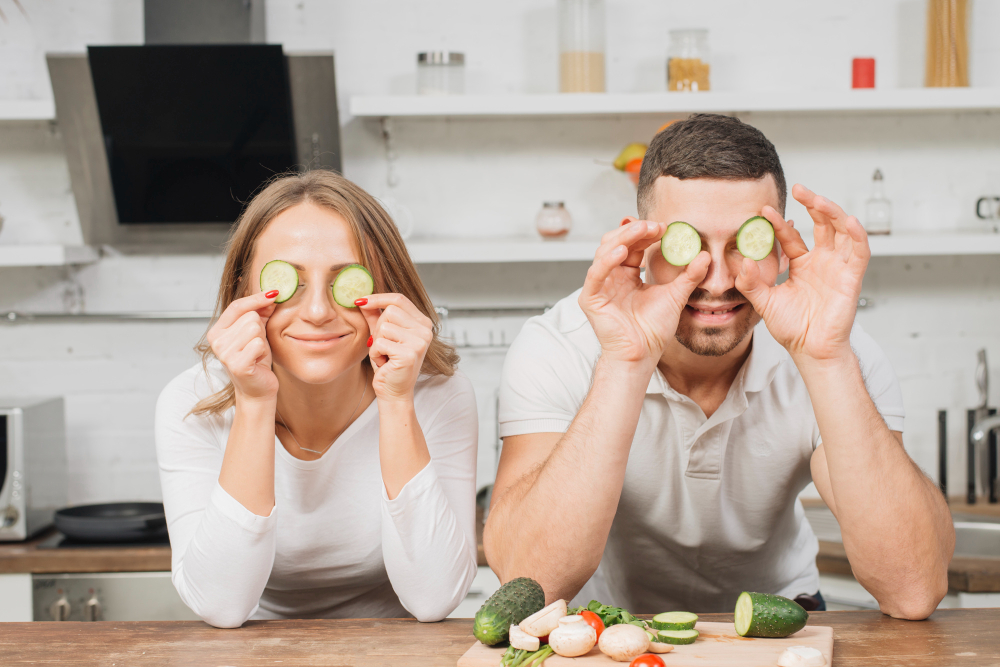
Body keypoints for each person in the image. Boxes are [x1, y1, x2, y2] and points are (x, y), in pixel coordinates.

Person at [486, 114, 954, 619]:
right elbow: (529, 581)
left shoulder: (836, 347)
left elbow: (913, 589)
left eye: (743, 243)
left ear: (779, 247)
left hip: (786, 619)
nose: (715, 279)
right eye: (686, 245)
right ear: (639, 245)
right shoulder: (561, 345)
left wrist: (827, 358)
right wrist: (625, 360)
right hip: (609, 628)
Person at [155, 170, 478, 628]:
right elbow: (222, 606)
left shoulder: (439, 395)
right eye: (289, 282)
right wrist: (252, 402)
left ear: (388, 286)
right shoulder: (188, 402)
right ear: (246, 287)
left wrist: (397, 400)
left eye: (347, 281)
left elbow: (434, 598)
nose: (318, 312)